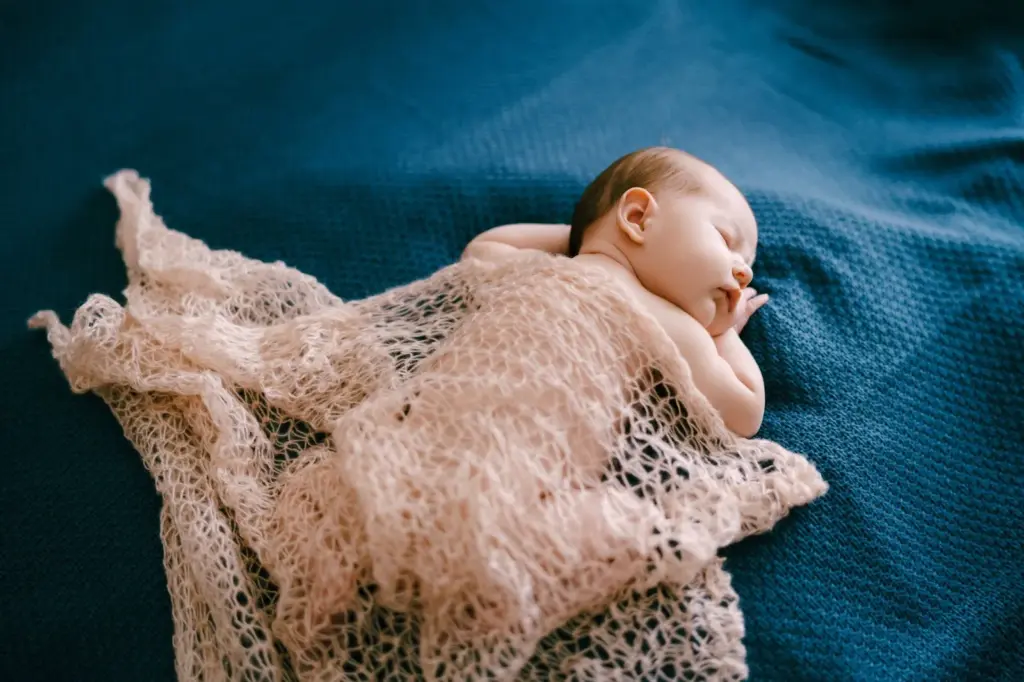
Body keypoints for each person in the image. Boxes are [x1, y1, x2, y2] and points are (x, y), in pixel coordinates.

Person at [461, 146, 768, 437]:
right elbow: (746, 411)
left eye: (746, 263)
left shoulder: (550, 269)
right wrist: (721, 337)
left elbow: (482, 250)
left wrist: (591, 234)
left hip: (457, 419)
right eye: (726, 240)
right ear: (637, 217)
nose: (746, 273)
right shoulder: (671, 328)